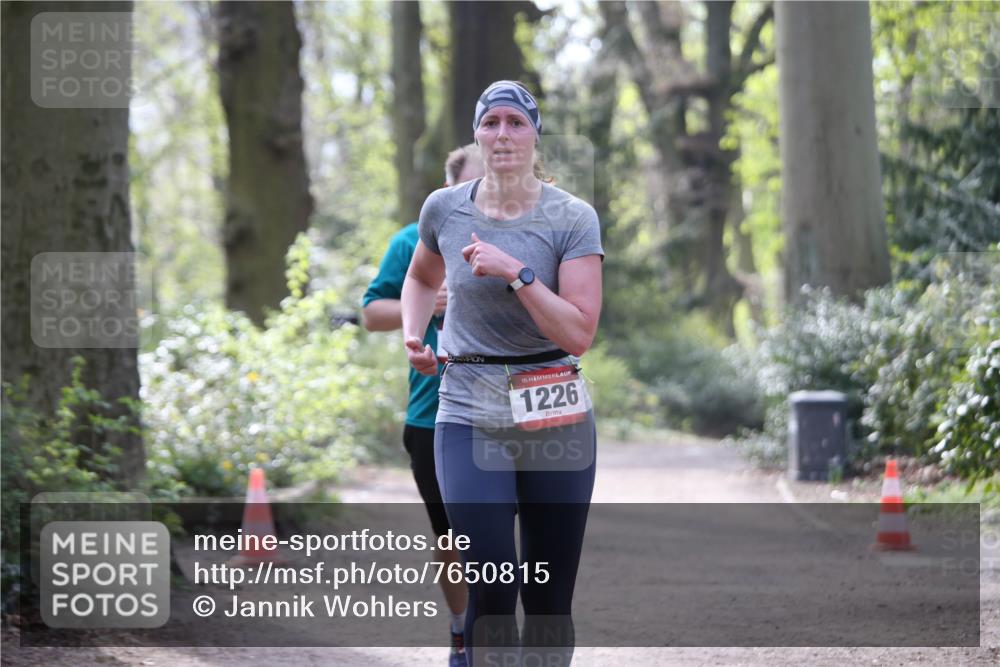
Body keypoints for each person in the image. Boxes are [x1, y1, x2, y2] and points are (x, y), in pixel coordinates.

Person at [401, 80, 603, 667]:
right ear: (476, 134)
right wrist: (414, 334)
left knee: (547, 597)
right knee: (491, 584)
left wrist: (517, 272)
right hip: (467, 408)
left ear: (535, 133)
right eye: (491, 123)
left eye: (516, 122)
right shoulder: (445, 207)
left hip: (553, 408)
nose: (503, 135)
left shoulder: (572, 217)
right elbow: (419, 276)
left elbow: (579, 333)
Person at [361, 144, 484, 667]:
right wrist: (428, 303)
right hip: (432, 416)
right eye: (473, 183)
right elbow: (372, 312)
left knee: (511, 534)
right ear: (449, 187)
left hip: (510, 413)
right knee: (454, 538)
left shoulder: (527, 233)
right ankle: (462, 631)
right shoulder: (412, 241)